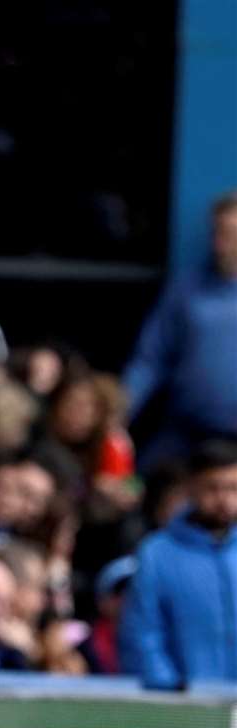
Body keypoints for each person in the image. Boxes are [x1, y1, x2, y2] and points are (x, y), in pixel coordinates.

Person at [123, 193, 237, 468]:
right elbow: (150, 358)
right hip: (186, 431)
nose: (219, 243)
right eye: (216, 232)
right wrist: (119, 408)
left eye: (230, 233)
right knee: (143, 482)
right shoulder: (186, 288)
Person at [119, 440, 237, 688]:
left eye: (233, 488)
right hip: (188, 709)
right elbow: (143, 632)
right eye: (213, 488)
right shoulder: (158, 553)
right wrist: (168, 689)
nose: (224, 499)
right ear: (191, 488)